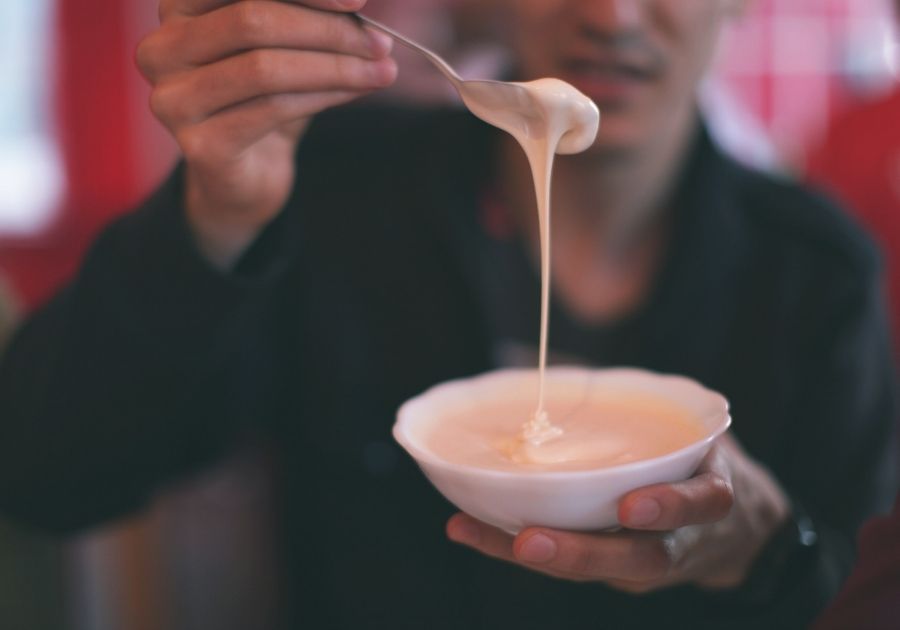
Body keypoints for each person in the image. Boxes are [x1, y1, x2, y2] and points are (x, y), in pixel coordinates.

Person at [0, 1, 895, 628]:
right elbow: (44, 472)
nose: (613, 14)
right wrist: (218, 215)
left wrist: (770, 549)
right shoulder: (336, 190)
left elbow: (849, 593)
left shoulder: (820, 279)